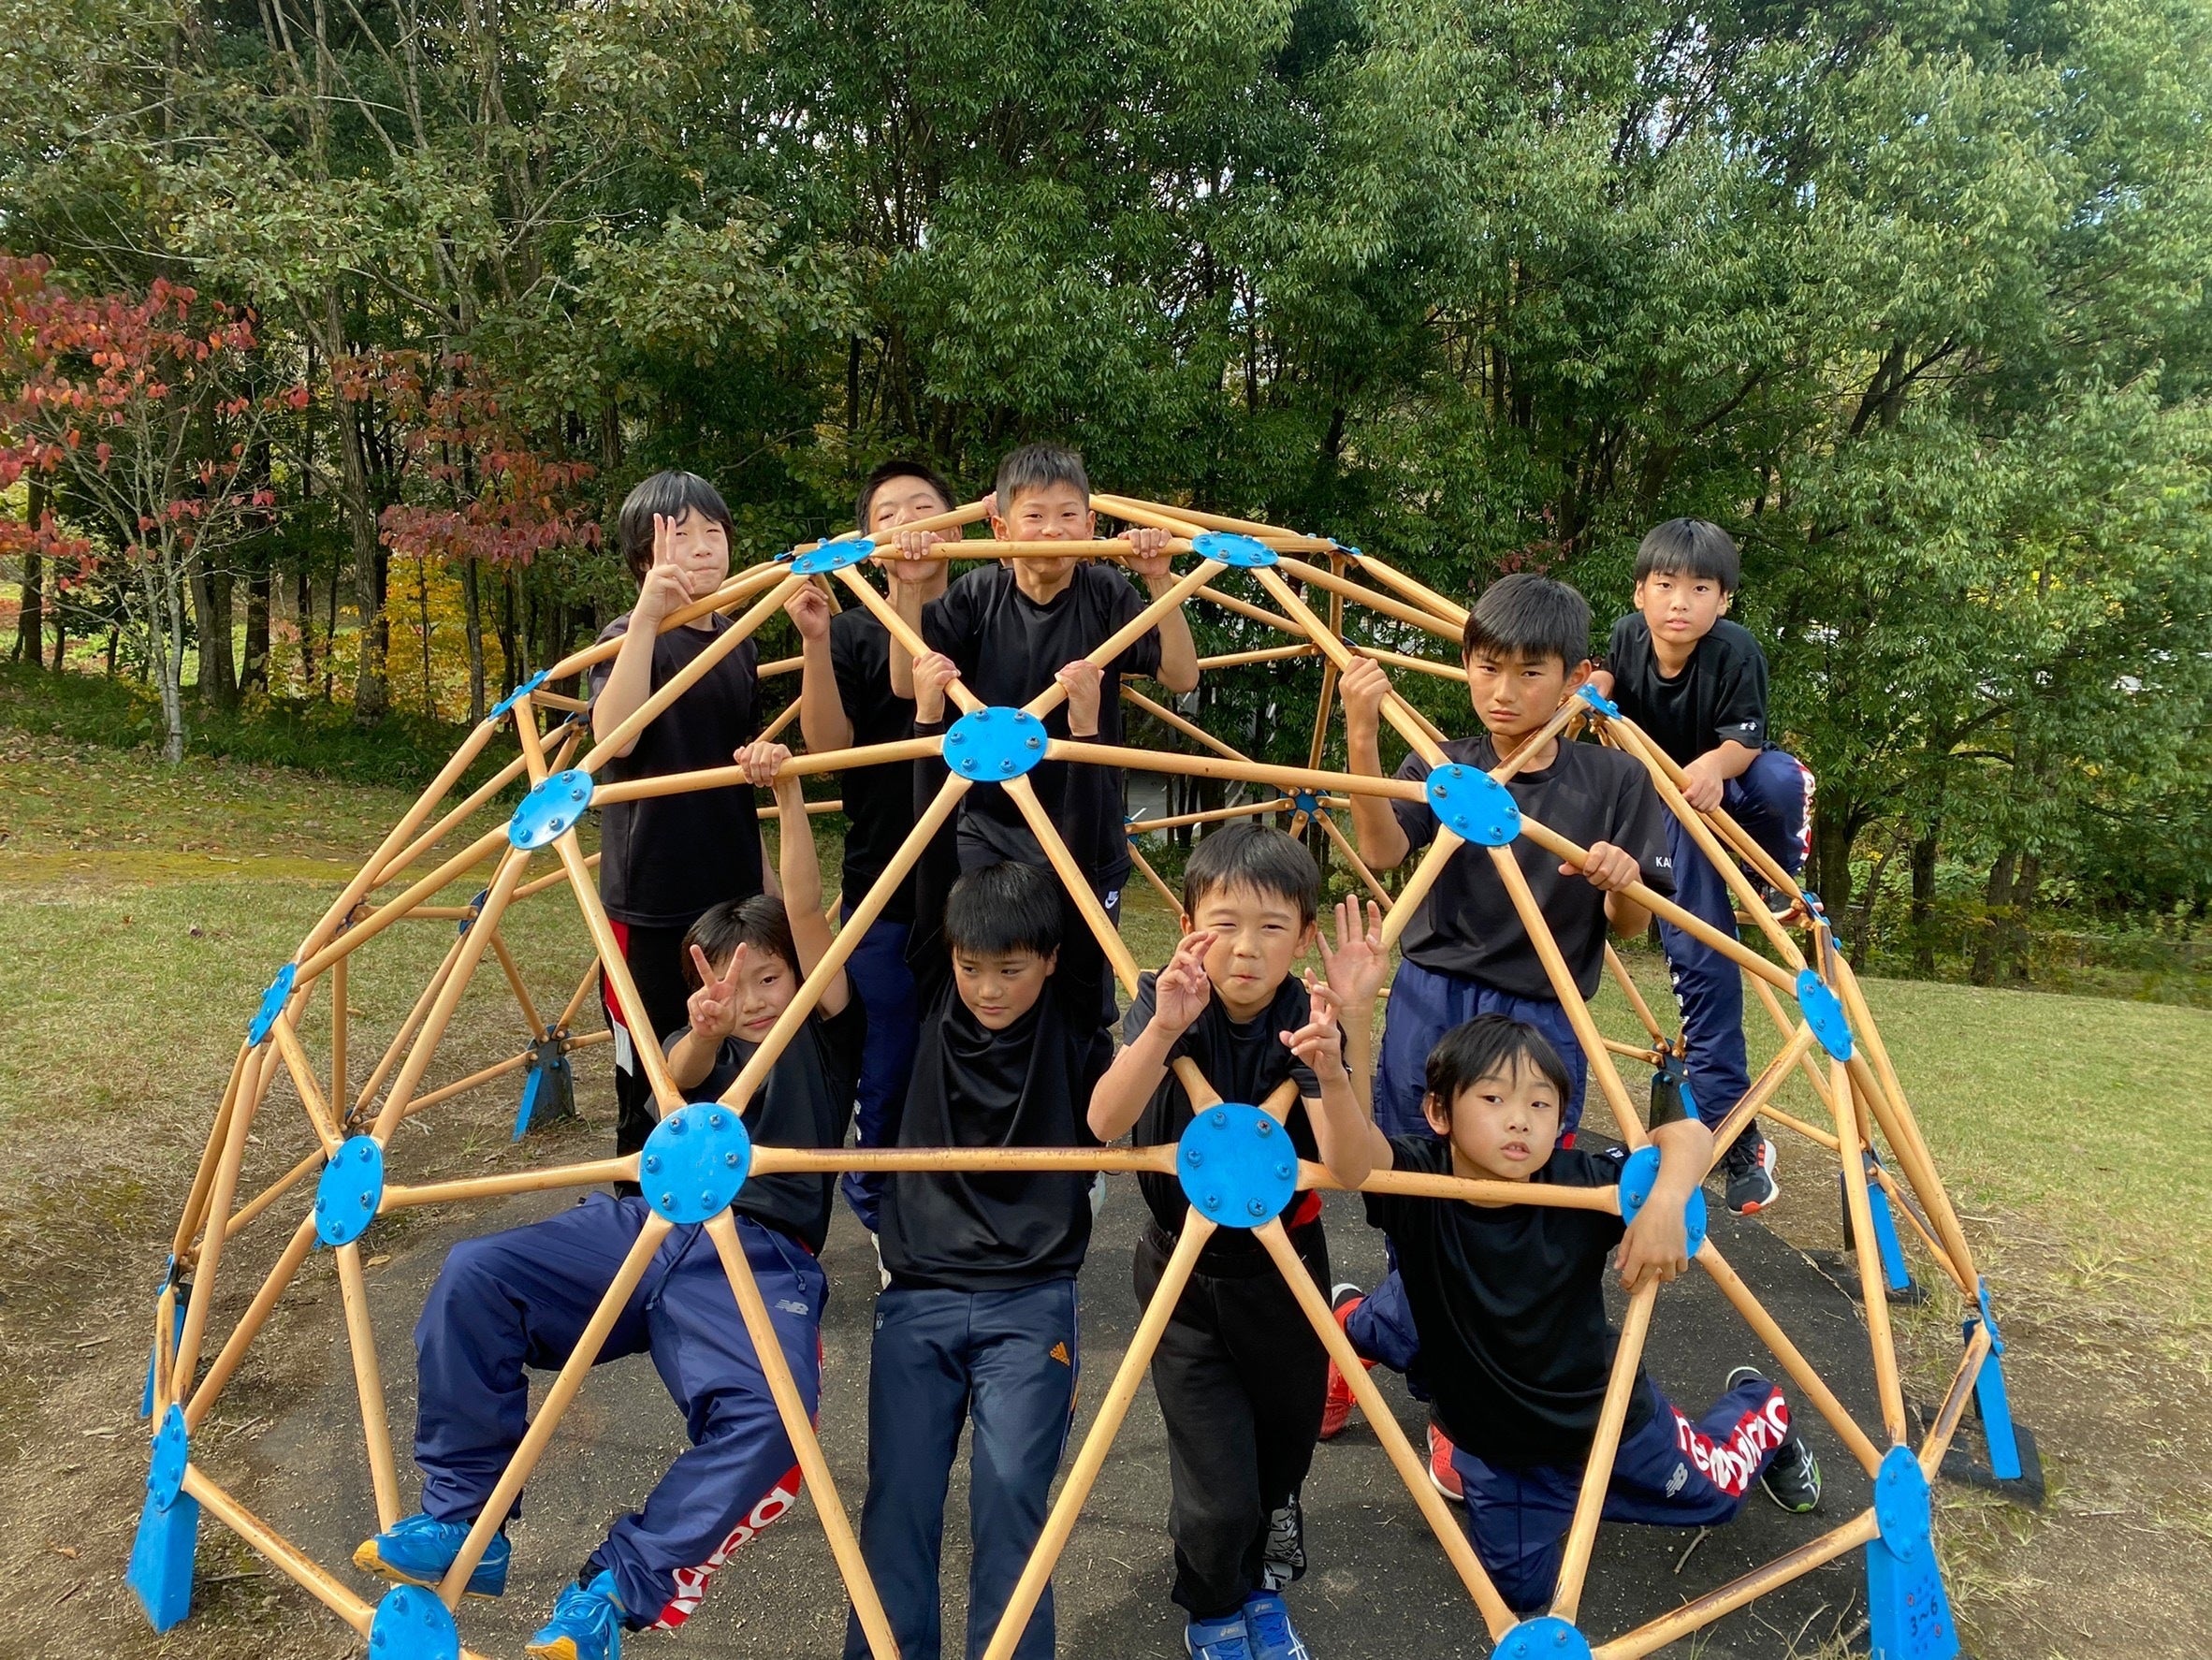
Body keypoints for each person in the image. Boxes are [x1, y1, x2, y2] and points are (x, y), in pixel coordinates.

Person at [355, 742, 863, 1660]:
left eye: (769, 978)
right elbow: (678, 1074)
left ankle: (614, 1592)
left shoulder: (821, 1033)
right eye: (727, 981)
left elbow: (800, 904)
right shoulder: (706, 1041)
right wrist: (703, 1030)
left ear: (800, 976)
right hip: (649, 1226)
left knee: (772, 1418)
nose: (751, 999)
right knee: (476, 1275)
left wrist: (788, 795)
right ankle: (467, 1518)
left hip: (758, 1256)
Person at [1330, 573, 1673, 1496]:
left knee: (1517, 1216)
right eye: (1487, 668)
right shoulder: (1438, 762)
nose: (1505, 691)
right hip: (1433, 1003)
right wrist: (1362, 731)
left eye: (1529, 672)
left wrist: (1619, 883)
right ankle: (1445, 1393)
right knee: (1418, 1199)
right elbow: (1384, 853)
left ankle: (1366, 1338)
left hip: (1540, 1016)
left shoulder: (1615, 780)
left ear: (1575, 679)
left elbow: (1632, 925)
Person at [1329, 1015, 1823, 1618]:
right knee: (1519, 1596)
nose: (1520, 1120)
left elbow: (1688, 1134)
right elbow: (1352, 1158)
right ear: (1439, 1112)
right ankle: (1363, 1323)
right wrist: (1348, 1033)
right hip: (1498, 1455)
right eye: (1493, 1099)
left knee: (1713, 1499)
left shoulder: (1581, 1186)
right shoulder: (1418, 1182)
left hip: (1605, 1421)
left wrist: (1666, 1201)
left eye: (1541, 1105)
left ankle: (1762, 1405)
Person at [840, 654, 1113, 1660]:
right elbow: (921, 863)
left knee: (1010, 1503)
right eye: (973, 967)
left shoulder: (1071, 1018)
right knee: (898, 1504)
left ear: (1051, 962)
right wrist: (926, 725)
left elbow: (1084, 872)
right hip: (917, 1293)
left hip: (1029, 1299)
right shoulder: (933, 996)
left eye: (1011, 969)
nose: (990, 988)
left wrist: (1084, 740)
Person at [1087, 828, 1384, 1660]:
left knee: (1282, 1454)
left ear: (1305, 936)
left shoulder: (1307, 1019)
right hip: (1182, 1273)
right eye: (1225, 924)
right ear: (1189, 924)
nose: (1246, 949)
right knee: (1216, 1483)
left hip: (1286, 1275)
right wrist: (1161, 1030)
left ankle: (1257, 1585)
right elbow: (1105, 1121)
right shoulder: (1168, 996)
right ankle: (1215, 1604)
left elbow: (1353, 1168)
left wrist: (1336, 1060)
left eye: (1272, 928)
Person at [883, 442, 1199, 1027]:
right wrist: (905, 585)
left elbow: (1182, 675)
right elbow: (906, 682)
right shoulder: (979, 594)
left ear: (1091, 525)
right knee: (983, 972)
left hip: (1084, 826)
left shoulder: (1106, 592)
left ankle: (1077, 1075)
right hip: (987, 829)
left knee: (1079, 988)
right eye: (1034, 515)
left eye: (1067, 515)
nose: (1052, 531)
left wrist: (1161, 580)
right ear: (1001, 527)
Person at [1588, 518, 1815, 1216]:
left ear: (1724, 600)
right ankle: (1735, 1132)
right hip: (1671, 812)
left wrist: (1714, 766)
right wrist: (1593, 685)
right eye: (1665, 586)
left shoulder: (1735, 650)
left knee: (1780, 778)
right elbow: (1607, 676)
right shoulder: (1628, 637)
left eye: (1700, 588)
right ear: (1640, 592)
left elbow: (1745, 742)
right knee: (1701, 957)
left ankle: (1776, 875)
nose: (1680, 602)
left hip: (1727, 789)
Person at [783, 459, 964, 1242]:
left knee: (972, 1047)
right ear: (867, 541)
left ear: (957, 527)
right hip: (883, 878)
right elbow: (826, 747)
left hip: (975, 876)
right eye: (888, 514)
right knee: (887, 1051)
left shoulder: (985, 613)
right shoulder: (853, 631)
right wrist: (815, 641)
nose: (909, 523)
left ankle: (964, 1198)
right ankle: (885, 1208)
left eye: (924, 507)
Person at [587, 471, 773, 1177]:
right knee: (648, 1073)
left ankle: (725, 1198)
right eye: (679, 534)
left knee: (727, 1054)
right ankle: (637, 1203)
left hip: (729, 895)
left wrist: (766, 880)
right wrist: (645, 617)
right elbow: (615, 738)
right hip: (649, 902)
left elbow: (736, 768)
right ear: (644, 557)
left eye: (712, 532)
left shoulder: (739, 641)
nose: (701, 547)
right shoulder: (628, 639)